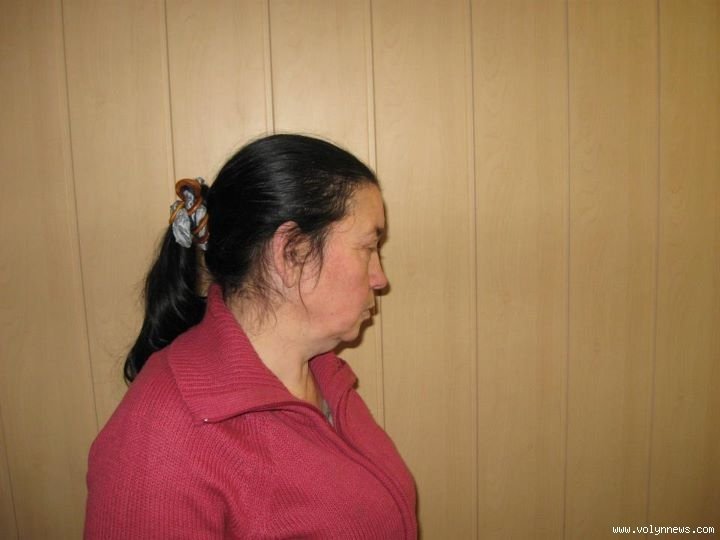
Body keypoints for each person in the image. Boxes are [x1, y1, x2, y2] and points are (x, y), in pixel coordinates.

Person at [84, 134, 418, 539]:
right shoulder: (160, 443)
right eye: (368, 247)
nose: (380, 279)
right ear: (292, 253)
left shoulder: (323, 374)